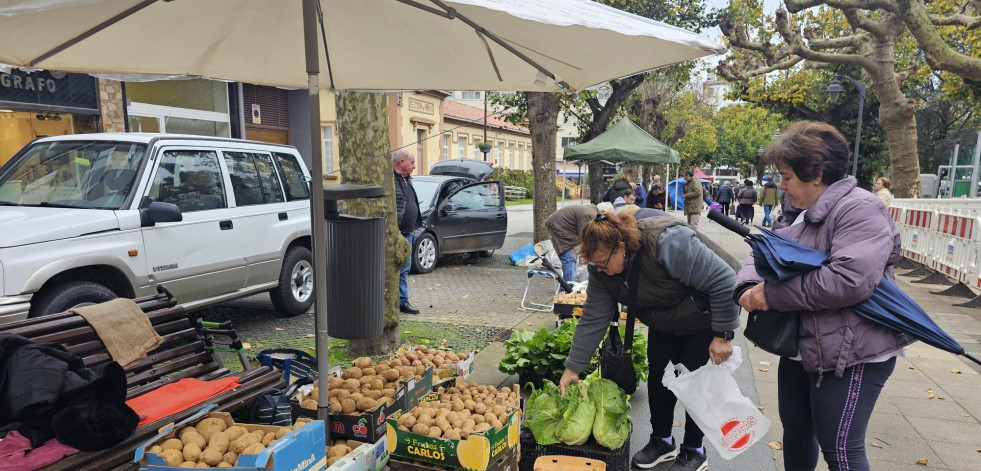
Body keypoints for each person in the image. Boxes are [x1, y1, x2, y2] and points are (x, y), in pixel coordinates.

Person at [735, 122, 912, 471]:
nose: (781, 186)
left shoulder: (860, 209)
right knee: (798, 435)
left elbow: (849, 280)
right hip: (805, 347)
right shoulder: (796, 212)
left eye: (786, 177)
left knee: (841, 450)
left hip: (852, 353)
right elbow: (761, 253)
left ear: (815, 173)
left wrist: (770, 294)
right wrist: (745, 288)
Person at [559, 210, 739, 471]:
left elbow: (724, 281)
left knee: (698, 385)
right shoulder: (601, 269)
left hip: (703, 318)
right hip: (663, 321)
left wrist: (723, 335)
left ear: (620, 246)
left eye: (603, 263)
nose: (601, 270)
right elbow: (594, 316)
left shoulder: (666, 242)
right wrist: (573, 366)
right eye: (595, 266)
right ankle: (663, 441)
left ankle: (694, 449)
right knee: (659, 380)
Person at [393, 149, 422, 315]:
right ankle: (399, 301)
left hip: (408, 232)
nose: (414, 166)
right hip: (397, 233)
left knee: (406, 267)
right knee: (398, 267)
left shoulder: (407, 180)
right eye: (412, 162)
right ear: (402, 162)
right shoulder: (392, 180)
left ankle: (402, 300)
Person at [545, 205, 599, 284]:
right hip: (560, 226)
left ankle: (566, 286)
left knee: (571, 257)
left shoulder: (591, 212)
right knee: (569, 259)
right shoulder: (590, 215)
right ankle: (568, 288)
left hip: (563, 226)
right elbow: (583, 235)